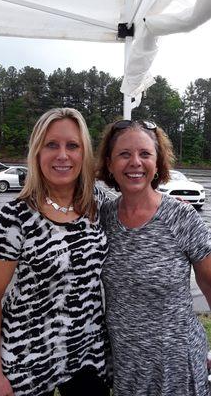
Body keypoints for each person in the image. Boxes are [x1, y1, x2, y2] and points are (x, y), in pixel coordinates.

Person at [0, 107, 111, 396]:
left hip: (86, 356)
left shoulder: (98, 204)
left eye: (73, 146)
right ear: (37, 152)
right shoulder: (14, 217)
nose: (63, 155)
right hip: (27, 360)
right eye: (51, 145)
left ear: (84, 153)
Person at [96, 119, 211, 396]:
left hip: (177, 366)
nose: (135, 162)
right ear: (110, 164)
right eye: (124, 154)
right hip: (127, 365)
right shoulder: (103, 217)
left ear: (157, 163)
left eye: (145, 154)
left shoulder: (180, 217)